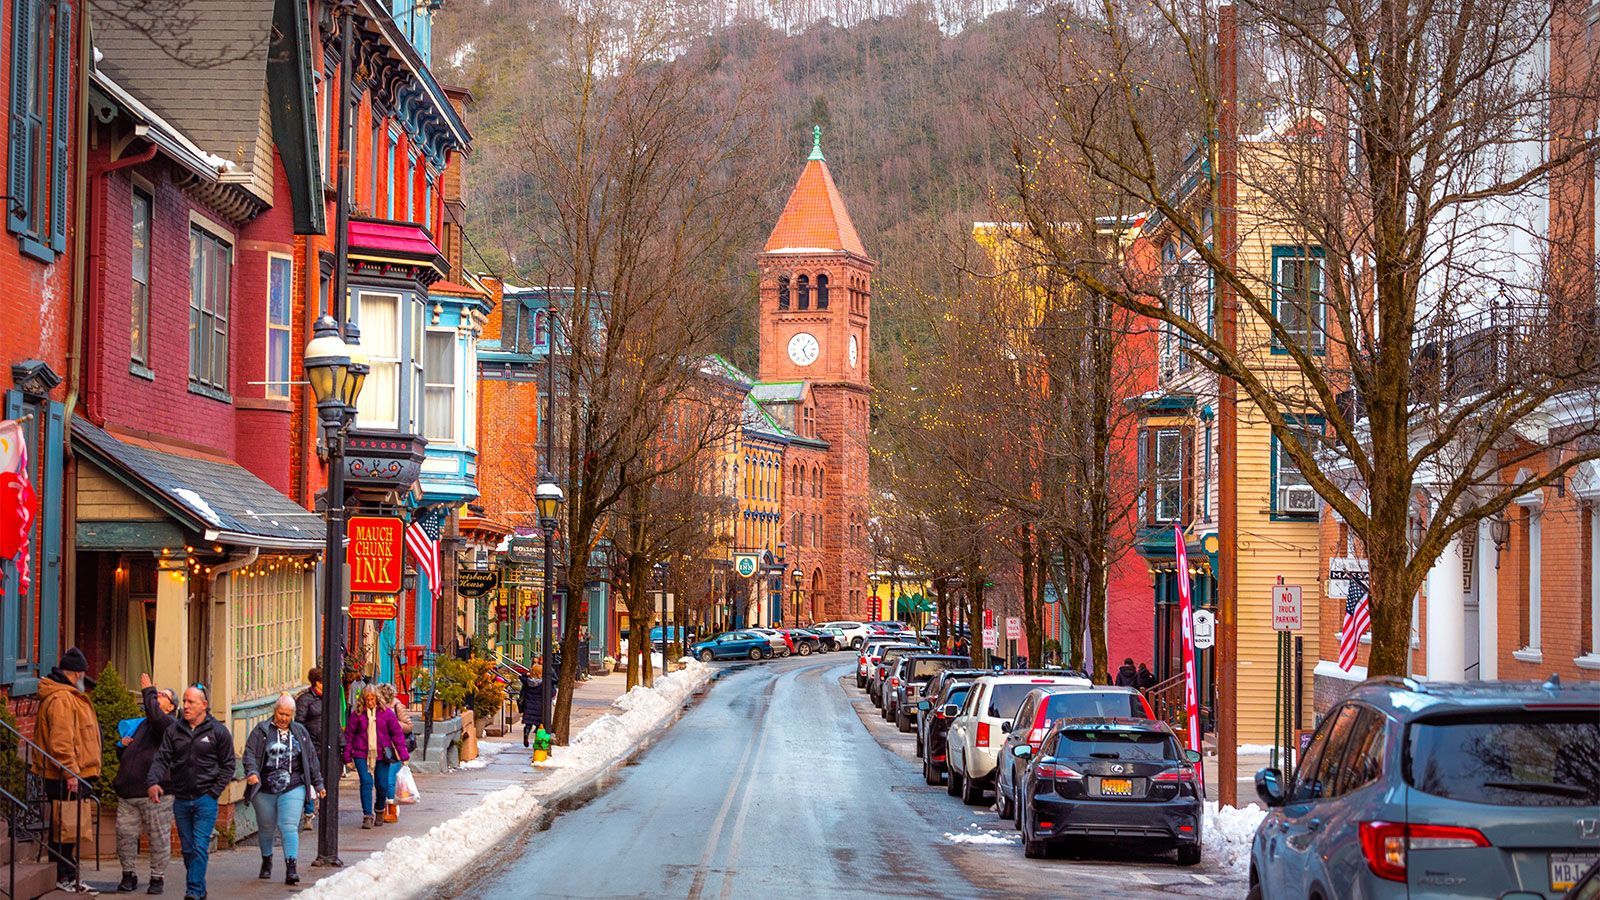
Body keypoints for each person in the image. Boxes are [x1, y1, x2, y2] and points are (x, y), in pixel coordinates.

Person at [148, 684, 236, 900]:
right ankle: (200, 889)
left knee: (199, 846)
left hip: (205, 799)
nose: (185, 706)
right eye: (184, 701)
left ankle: (193, 892)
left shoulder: (218, 732)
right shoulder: (174, 731)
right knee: (188, 850)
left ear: (204, 705)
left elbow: (229, 765)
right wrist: (152, 781)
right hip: (181, 799)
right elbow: (161, 758)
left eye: (191, 702)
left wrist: (214, 792)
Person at [33, 646, 101, 894]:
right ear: (76, 674)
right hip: (66, 774)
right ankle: (64, 875)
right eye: (83, 673)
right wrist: (70, 772)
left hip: (73, 772)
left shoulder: (67, 695)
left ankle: (68, 874)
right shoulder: (62, 698)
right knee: (65, 827)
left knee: (67, 827)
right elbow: (61, 741)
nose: (84, 678)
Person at [243, 695, 326, 886]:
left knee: (288, 825)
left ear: (293, 715)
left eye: (288, 715)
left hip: (293, 785)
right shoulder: (261, 731)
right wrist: (252, 772)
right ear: (274, 712)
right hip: (264, 787)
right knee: (266, 827)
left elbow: (311, 759)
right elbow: (249, 754)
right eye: (281, 714)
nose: (284, 718)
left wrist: (318, 784)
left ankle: (291, 867)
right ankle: (267, 859)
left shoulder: (300, 732)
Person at [113, 673, 176, 894]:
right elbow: (127, 757)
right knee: (125, 836)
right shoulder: (141, 725)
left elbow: (157, 720)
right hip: (128, 792)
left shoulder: (169, 725)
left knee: (158, 837)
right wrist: (122, 747)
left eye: (163, 695)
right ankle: (128, 874)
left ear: (170, 707)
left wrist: (148, 690)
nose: (158, 695)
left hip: (156, 793)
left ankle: (157, 877)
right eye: (157, 693)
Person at [342, 687, 409, 829]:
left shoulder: (387, 714)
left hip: (382, 753)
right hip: (361, 753)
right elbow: (349, 736)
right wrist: (347, 757)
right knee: (366, 783)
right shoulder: (357, 714)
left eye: (372, 699)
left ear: (377, 699)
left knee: (382, 785)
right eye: (367, 699)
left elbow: (397, 734)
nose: (370, 702)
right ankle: (367, 815)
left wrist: (403, 755)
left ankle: (379, 809)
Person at [373, 684, 413, 822]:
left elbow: (409, 726)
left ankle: (392, 810)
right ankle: (383, 808)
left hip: (395, 749)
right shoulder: (376, 709)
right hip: (382, 749)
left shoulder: (397, 706)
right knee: (381, 781)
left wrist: (393, 722)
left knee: (390, 780)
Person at [519, 665, 544, 747]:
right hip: (538, 705)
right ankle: (537, 741)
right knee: (538, 724)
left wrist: (527, 674)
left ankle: (526, 734)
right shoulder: (542, 683)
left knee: (528, 724)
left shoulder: (527, 681)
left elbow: (521, 677)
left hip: (528, 704)